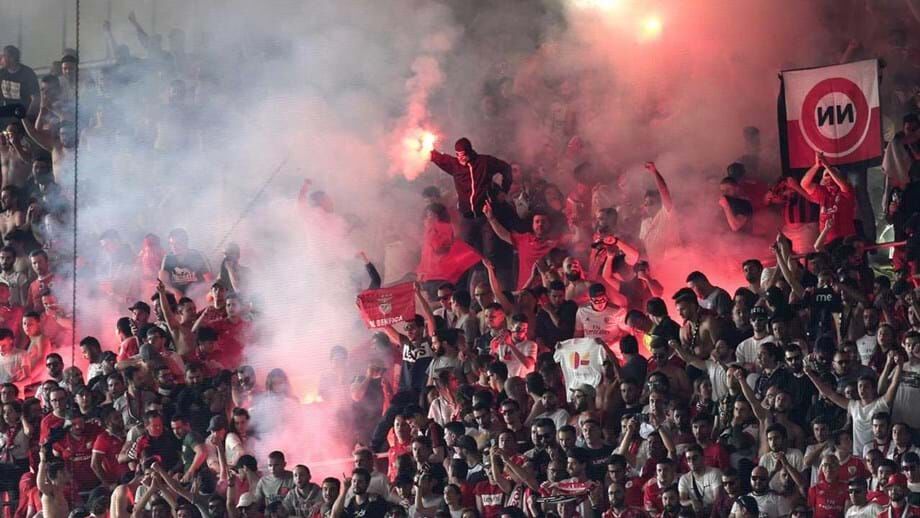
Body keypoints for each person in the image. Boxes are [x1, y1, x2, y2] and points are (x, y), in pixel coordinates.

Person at [430, 138, 512, 260]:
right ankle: (476, 271)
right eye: (457, 155)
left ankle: (492, 271)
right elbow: (436, 157)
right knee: (467, 251)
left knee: (490, 251)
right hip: (466, 217)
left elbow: (506, 168)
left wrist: (504, 190)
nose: (460, 158)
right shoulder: (454, 165)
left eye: (463, 155)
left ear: (469, 152)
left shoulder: (484, 162)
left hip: (486, 216)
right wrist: (424, 148)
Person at [800, 153, 857, 247]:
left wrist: (827, 165)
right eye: (826, 175)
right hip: (827, 243)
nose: (829, 177)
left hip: (845, 242)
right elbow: (804, 184)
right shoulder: (822, 192)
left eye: (832, 174)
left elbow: (844, 186)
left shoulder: (846, 190)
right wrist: (817, 166)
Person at [0, 46, 40, 111]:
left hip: (24, 112)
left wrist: (28, 114)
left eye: (3, 56)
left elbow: (36, 98)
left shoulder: (27, 73)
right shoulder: (2, 73)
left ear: (12, 58)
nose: (1, 59)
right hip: (8, 112)